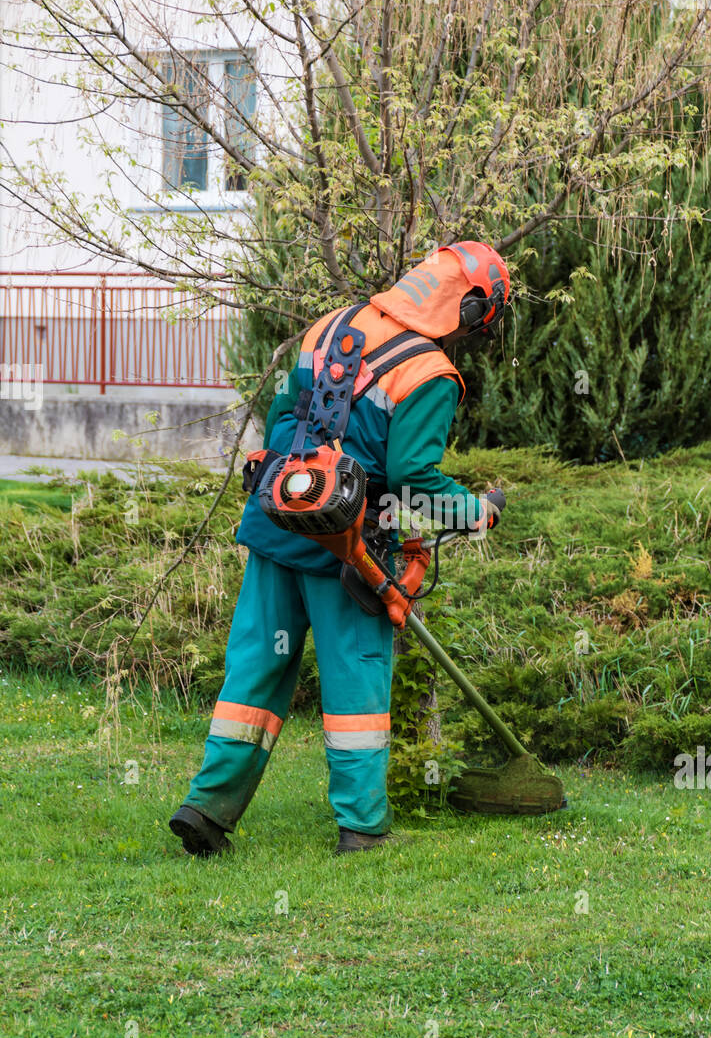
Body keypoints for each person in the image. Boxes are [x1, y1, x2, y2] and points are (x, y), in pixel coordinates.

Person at [169, 241, 510, 857]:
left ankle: (207, 809)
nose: (471, 338)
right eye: (479, 324)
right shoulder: (429, 373)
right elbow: (413, 479)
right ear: (468, 307)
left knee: (254, 673)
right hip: (346, 548)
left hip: (276, 522)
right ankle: (360, 828)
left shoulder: (329, 325)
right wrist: (476, 512)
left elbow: (278, 415)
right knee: (356, 685)